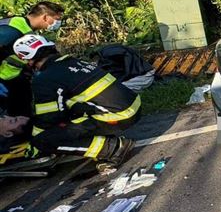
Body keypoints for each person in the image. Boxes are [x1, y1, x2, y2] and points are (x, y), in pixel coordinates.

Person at [13, 34, 139, 166]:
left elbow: (48, 118)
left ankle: (112, 148)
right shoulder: (72, 62)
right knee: (69, 110)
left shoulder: (43, 79)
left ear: (29, 59)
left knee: (45, 140)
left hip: (119, 116)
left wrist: (35, 142)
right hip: (132, 105)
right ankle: (104, 139)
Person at [0, 1, 65, 116]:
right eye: (56, 19)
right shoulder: (12, 29)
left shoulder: (25, 27)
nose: (58, 23)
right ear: (45, 17)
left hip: (14, 79)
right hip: (5, 81)